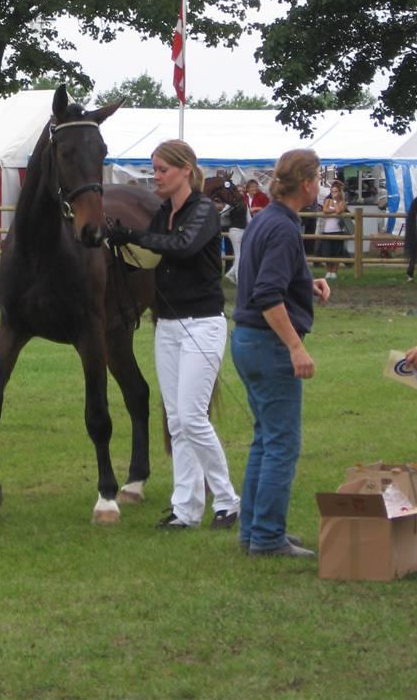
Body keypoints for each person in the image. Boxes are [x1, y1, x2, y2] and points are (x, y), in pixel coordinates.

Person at [107, 140, 240, 531]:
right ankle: (186, 509)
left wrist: (133, 234)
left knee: (194, 418)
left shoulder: (203, 211)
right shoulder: (163, 211)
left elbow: (181, 247)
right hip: (167, 325)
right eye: (155, 169)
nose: (157, 177)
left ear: (186, 170)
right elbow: (148, 258)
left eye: (163, 169)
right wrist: (120, 245)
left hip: (202, 323)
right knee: (178, 420)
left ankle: (228, 500)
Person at [231, 149, 331, 558]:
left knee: (265, 439)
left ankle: (253, 531)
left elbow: (260, 276)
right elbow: (267, 294)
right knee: (282, 443)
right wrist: (295, 346)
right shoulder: (284, 228)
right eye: (318, 179)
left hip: (247, 341)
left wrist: (306, 283)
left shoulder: (266, 219)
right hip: (269, 345)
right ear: (306, 183)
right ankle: (268, 537)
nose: (321, 187)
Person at [319, 180, 347, 279]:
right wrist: (334, 210)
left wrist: (335, 202)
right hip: (327, 230)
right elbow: (325, 210)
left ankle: (334, 271)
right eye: (332, 192)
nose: (333, 194)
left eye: (335, 191)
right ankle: (328, 270)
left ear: (339, 192)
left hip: (338, 230)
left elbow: (339, 210)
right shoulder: (327, 200)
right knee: (327, 252)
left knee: (337, 252)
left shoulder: (342, 202)